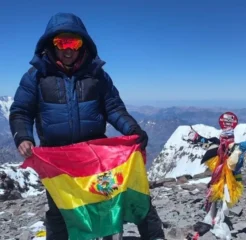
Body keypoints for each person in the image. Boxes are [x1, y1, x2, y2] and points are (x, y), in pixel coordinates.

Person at [9, 12, 165, 240]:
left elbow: (113, 108)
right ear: (51, 44)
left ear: (83, 44)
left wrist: (132, 130)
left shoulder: (97, 76)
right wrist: (23, 136)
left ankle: (152, 236)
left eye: (74, 42)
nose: (68, 48)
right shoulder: (36, 76)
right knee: (61, 209)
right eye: (61, 42)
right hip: (58, 159)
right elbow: (21, 111)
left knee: (111, 198)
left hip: (95, 156)